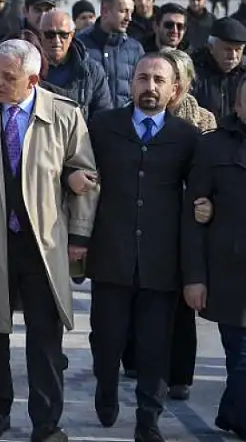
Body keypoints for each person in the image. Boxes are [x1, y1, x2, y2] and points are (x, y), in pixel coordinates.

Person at [0, 39, 99, 442]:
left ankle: (46, 422)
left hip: (43, 244)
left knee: (45, 338)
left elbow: (84, 177)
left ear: (33, 79)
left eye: (7, 77)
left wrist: (79, 236)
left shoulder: (64, 116)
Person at [85, 52, 199, 442]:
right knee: (106, 339)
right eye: (142, 78)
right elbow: (76, 169)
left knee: (154, 348)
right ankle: (105, 387)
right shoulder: (103, 126)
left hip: (161, 263)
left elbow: (198, 190)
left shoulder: (186, 137)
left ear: (174, 90)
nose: (149, 87)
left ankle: (148, 419)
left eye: (159, 81)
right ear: (131, 83)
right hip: (110, 257)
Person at [183, 79, 246, 440]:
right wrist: (195, 277)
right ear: (236, 107)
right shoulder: (213, 147)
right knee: (240, 358)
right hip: (230, 276)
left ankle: (231, 417)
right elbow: (193, 218)